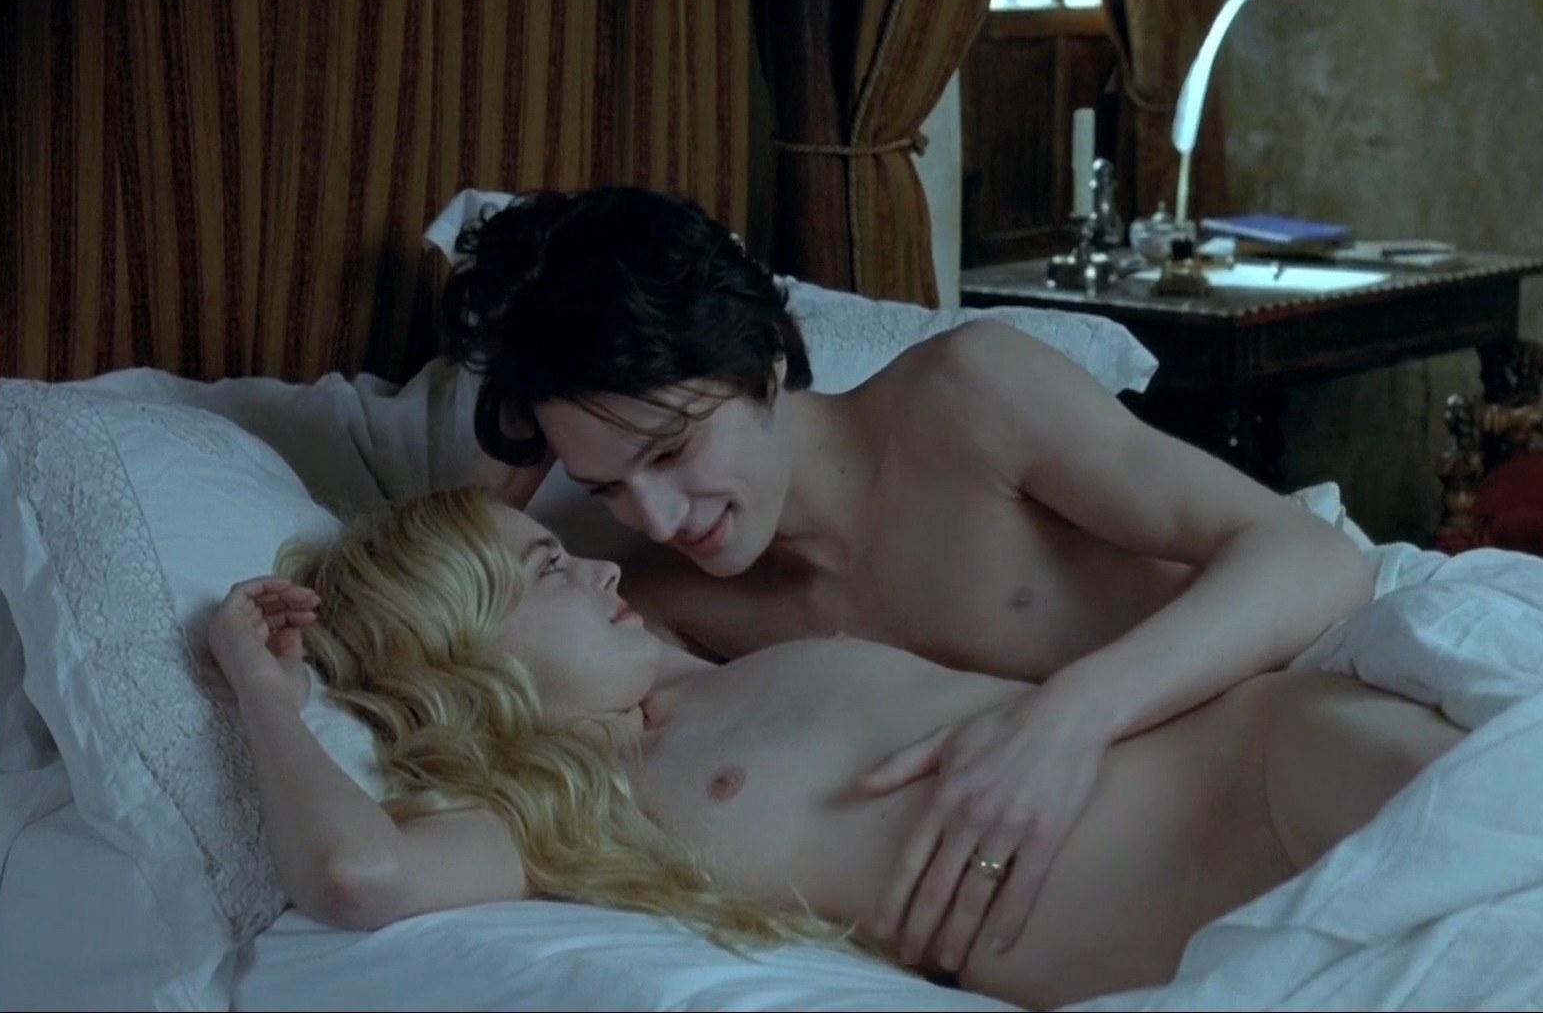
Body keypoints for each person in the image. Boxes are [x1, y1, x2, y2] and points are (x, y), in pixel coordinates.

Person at [441, 186, 1378, 969]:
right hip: (1156, 906)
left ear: (763, 362)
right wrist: (505, 465)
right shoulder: (666, 606)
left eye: (672, 451)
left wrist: (1067, 716)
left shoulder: (968, 399)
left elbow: (1314, 558)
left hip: (1299, 760)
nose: (657, 516)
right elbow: (458, 633)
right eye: (605, 487)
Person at [211, 487, 1463, 1010]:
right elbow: (359, 873)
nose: (603, 564)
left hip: (1279, 761)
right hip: (1233, 931)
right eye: (548, 567)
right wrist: (266, 692)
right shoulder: (576, 811)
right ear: (466, 651)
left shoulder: (733, 654)